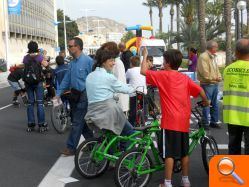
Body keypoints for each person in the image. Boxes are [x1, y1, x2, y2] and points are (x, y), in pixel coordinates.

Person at [140, 48, 209, 187]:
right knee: (184, 152)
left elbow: (143, 71)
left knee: (170, 153)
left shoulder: (162, 75)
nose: (163, 62)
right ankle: (185, 180)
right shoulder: (185, 78)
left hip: (170, 121)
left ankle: (167, 182)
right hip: (183, 120)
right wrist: (206, 102)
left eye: (164, 60)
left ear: (168, 63)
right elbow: (200, 90)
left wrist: (145, 55)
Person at [54, 37, 93, 156]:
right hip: (74, 95)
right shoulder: (71, 62)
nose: (69, 48)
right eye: (68, 46)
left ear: (78, 47)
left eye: (71, 46)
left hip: (84, 95)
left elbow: (93, 79)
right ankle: (92, 145)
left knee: (76, 122)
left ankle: (71, 148)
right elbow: (67, 79)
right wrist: (58, 93)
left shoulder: (88, 61)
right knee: (82, 123)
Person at [85, 48, 135, 138]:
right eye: (111, 60)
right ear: (104, 62)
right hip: (108, 112)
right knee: (131, 133)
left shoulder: (90, 76)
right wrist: (135, 87)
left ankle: (113, 151)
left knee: (110, 137)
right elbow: (125, 89)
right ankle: (125, 152)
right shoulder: (108, 77)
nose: (114, 63)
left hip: (93, 113)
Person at [223, 38, 249, 155]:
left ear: (236, 52)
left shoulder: (227, 70)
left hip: (232, 115)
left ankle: (235, 172)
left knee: (233, 147)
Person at [98, 42, 130, 113]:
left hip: (117, 103)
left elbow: (119, 83)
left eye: (105, 51)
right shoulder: (110, 63)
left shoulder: (117, 63)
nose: (103, 53)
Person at [22, 41, 47, 132]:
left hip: (28, 83)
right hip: (38, 82)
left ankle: (31, 123)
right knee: (40, 103)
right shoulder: (39, 57)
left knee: (30, 103)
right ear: (37, 48)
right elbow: (45, 65)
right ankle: (41, 124)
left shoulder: (26, 58)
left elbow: (24, 67)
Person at [197, 40, 222, 128]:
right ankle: (205, 123)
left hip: (214, 83)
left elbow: (216, 69)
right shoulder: (203, 57)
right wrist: (216, 78)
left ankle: (214, 121)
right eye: (216, 47)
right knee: (207, 103)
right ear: (213, 48)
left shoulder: (213, 56)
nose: (217, 48)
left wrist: (219, 76)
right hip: (207, 84)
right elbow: (205, 73)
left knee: (215, 103)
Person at [126, 55, 147, 126]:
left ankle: (131, 123)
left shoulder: (129, 71)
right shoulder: (142, 70)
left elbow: (125, 79)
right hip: (143, 91)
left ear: (131, 63)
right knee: (143, 107)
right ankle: (144, 120)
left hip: (133, 93)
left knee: (132, 109)